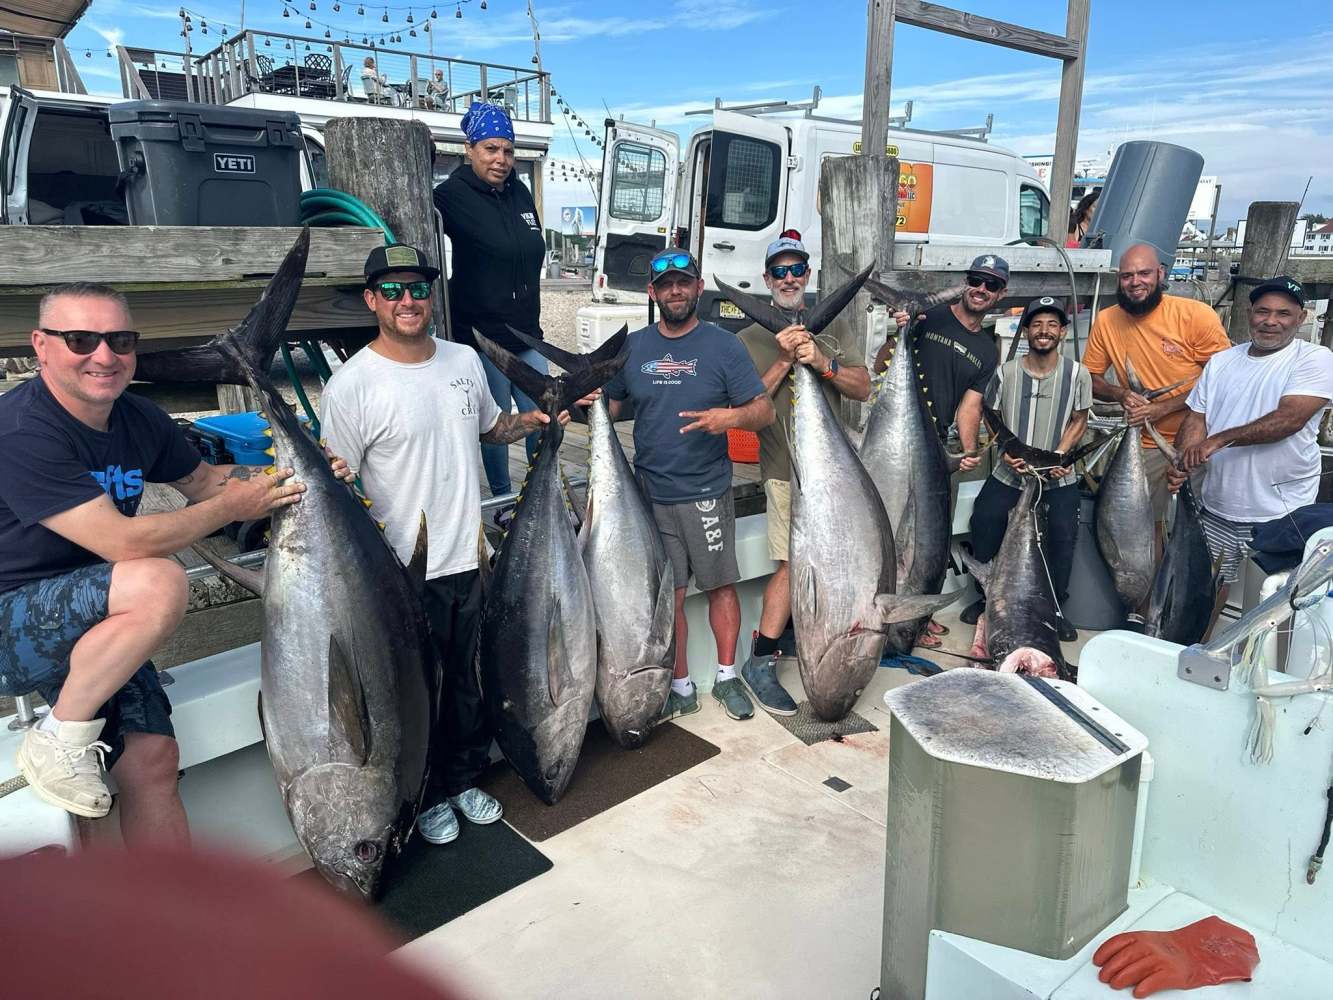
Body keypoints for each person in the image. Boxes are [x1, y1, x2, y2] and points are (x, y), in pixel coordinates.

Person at [0, 283, 341, 843]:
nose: (104, 356)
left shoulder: (139, 418)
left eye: (120, 340)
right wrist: (232, 508)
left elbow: (206, 482)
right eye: (81, 339)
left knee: (153, 759)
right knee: (159, 578)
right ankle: (59, 739)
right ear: (41, 345)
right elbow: (122, 543)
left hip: (108, 620)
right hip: (17, 619)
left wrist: (299, 477)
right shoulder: (20, 429)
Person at [320, 244, 561, 846]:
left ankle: (462, 780)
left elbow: (490, 429)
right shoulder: (351, 385)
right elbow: (337, 477)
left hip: (470, 554)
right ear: (372, 300)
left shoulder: (463, 361)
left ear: (431, 296)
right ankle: (423, 794)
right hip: (399, 570)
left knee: (468, 681)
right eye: (393, 290)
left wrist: (536, 418)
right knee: (415, 690)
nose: (408, 301)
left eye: (418, 289)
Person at [582, 248, 775, 722]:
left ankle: (728, 679)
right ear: (652, 292)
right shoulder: (633, 349)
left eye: (683, 282)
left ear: (697, 288)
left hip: (706, 492)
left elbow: (764, 410)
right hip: (647, 496)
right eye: (665, 284)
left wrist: (729, 418)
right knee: (667, 598)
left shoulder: (724, 347)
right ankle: (681, 685)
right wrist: (584, 403)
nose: (674, 291)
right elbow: (616, 407)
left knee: (721, 587)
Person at [736, 231, 869, 715]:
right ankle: (761, 661)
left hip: (838, 478)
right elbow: (745, 408)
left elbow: (862, 389)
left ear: (808, 275)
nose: (789, 279)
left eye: (797, 270)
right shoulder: (749, 338)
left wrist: (823, 362)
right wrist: (786, 359)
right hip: (783, 471)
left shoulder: (836, 330)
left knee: (837, 562)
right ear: (767, 279)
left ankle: (821, 637)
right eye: (780, 272)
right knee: (794, 567)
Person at [1167, 276, 1333, 630]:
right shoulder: (1222, 361)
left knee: (1275, 605)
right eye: (1262, 312)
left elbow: (1289, 419)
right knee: (1204, 593)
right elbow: (1197, 417)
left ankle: (1259, 674)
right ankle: (1197, 653)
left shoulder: (1315, 358)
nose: (1270, 321)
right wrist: (1183, 459)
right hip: (1217, 505)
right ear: (1249, 313)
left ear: (1301, 318)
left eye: (1283, 314)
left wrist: (1216, 441)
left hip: (1281, 514)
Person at [1082, 242, 1231, 625]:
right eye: (1128, 275)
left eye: (1144, 274)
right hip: (1142, 444)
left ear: (1161, 274)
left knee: (1193, 538)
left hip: (1196, 440)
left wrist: (1163, 407)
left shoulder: (1195, 315)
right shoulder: (1106, 320)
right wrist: (1122, 393)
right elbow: (1091, 379)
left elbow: (1224, 378)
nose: (1135, 282)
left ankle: (1186, 620)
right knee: (1144, 534)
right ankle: (1148, 615)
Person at [874, 253, 1007, 635]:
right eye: (976, 280)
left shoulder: (986, 350)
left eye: (991, 284)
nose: (981, 289)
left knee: (928, 536)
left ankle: (916, 613)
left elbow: (970, 406)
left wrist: (966, 451)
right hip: (892, 439)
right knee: (882, 523)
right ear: (966, 282)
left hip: (935, 448)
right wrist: (899, 330)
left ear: (1000, 293)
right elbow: (883, 361)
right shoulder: (927, 317)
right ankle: (884, 607)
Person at [433, 102, 549, 525]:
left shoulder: (519, 191)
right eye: (490, 149)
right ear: (469, 149)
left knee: (545, 413)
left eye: (508, 150)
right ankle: (502, 502)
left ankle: (541, 488)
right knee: (497, 422)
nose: (501, 159)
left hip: (527, 334)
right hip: (482, 337)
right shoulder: (449, 195)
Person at [965, 297, 1091, 642]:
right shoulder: (1005, 373)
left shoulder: (1078, 374)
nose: (1044, 331)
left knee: (1063, 534)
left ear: (1062, 332)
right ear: (1026, 331)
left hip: (1057, 474)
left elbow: (1080, 419)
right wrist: (1005, 452)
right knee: (985, 519)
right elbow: (990, 417)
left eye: (1052, 324)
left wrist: (1061, 454)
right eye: (1036, 324)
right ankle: (986, 597)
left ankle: (1055, 609)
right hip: (1011, 471)